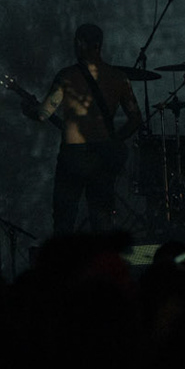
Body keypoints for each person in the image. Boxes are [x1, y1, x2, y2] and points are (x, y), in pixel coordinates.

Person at [22, 23, 143, 234]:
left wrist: (27, 110)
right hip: (103, 154)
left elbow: (43, 114)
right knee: (102, 219)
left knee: (64, 218)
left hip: (73, 155)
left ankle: (68, 256)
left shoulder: (67, 76)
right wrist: (115, 140)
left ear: (79, 43)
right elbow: (135, 119)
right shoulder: (119, 77)